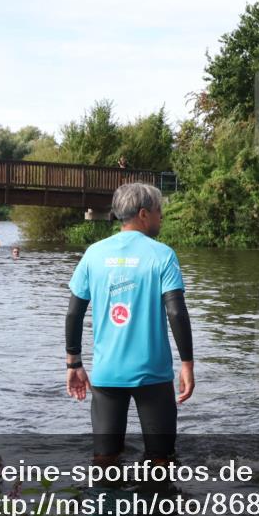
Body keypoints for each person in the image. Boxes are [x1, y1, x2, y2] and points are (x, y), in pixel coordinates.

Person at [65, 183, 195, 465]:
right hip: (153, 375)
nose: (162, 217)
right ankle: (159, 507)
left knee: (105, 460)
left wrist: (73, 364)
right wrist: (187, 364)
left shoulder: (94, 253)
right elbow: (176, 312)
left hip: (106, 374)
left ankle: (104, 506)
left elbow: (74, 313)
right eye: (159, 211)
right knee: (161, 461)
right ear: (144, 214)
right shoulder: (162, 255)